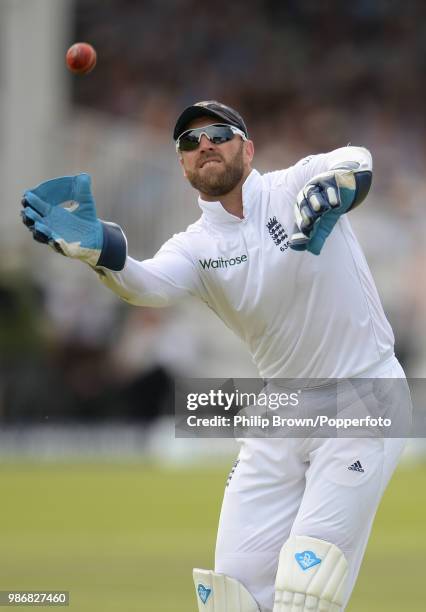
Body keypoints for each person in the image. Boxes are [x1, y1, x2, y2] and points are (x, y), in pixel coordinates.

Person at [21, 100, 411, 612]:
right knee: (230, 595)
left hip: (365, 395)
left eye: (219, 134)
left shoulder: (294, 184)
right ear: (183, 165)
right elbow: (147, 285)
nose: (204, 144)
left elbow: (358, 161)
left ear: (247, 149)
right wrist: (98, 251)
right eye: (189, 141)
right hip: (282, 408)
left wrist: (331, 190)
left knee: (305, 588)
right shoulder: (197, 246)